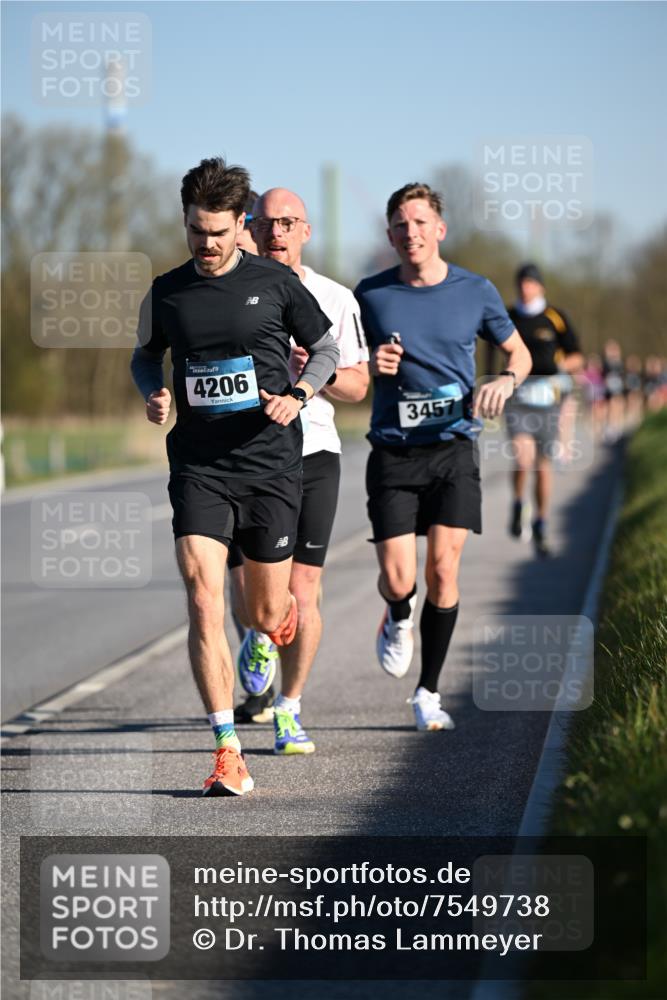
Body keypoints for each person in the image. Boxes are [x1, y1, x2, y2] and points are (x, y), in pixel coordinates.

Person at [130, 158, 339, 796]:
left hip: (272, 466)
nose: (208, 244)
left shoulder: (275, 283)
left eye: (219, 232)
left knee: (266, 609)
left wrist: (300, 393)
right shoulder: (167, 290)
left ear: (239, 224)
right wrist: (154, 393)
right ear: (186, 223)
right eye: (197, 231)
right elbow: (145, 356)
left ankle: (270, 630)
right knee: (201, 598)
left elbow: (326, 347)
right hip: (199, 466)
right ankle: (227, 748)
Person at [355, 182, 532, 731]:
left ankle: (428, 692)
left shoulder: (475, 290)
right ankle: (398, 613)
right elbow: (346, 364)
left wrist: (505, 379)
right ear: (391, 235)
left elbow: (519, 353)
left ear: (440, 229)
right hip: (393, 450)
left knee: (444, 568)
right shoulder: (370, 294)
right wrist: (370, 364)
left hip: (455, 445)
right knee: (398, 577)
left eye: (420, 222)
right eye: (401, 225)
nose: (411, 233)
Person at [229, 187, 370, 752]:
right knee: (248, 588)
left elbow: (358, 386)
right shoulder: (223, 292)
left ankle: (289, 708)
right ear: (250, 229)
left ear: (305, 231)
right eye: (266, 223)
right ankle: (261, 632)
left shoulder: (335, 299)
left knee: (305, 588)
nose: (277, 232)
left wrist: (318, 370)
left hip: (312, 451)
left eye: (289, 222)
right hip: (241, 454)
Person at [504, 263, 583, 557]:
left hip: (548, 400)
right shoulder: (508, 317)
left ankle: (540, 521)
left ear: (540, 286)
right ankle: (517, 503)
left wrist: (561, 368)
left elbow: (577, 356)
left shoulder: (555, 317)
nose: (526, 287)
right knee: (523, 459)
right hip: (517, 398)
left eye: (531, 283)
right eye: (521, 282)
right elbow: (492, 351)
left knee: (543, 465)